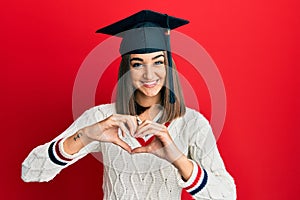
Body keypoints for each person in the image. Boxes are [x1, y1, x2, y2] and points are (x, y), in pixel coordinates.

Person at [21, 10, 236, 199]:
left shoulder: (192, 124)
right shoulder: (101, 118)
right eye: (137, 64)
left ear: (168, 66)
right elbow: (30, 171)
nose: (149, 74)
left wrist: (178, 159)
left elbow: (227, 195)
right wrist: (86, 135)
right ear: (126, 69)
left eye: (158, 62)